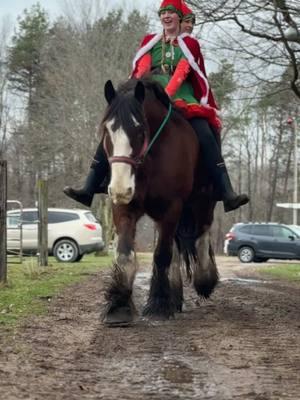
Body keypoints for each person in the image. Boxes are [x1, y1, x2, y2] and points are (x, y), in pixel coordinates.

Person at [131, 0, 249, 212]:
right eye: (163, 12)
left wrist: (166, 96)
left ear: (179, 17)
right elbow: (142, 68)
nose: (166, 16)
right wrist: (133, 91)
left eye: (171, 13)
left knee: (205, 131)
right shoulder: (150, 41)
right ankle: (94, 181)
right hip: (150, 93)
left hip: (180, 95)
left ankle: (225, 189)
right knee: (118, 122)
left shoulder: (189, 44)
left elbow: (183, 71)